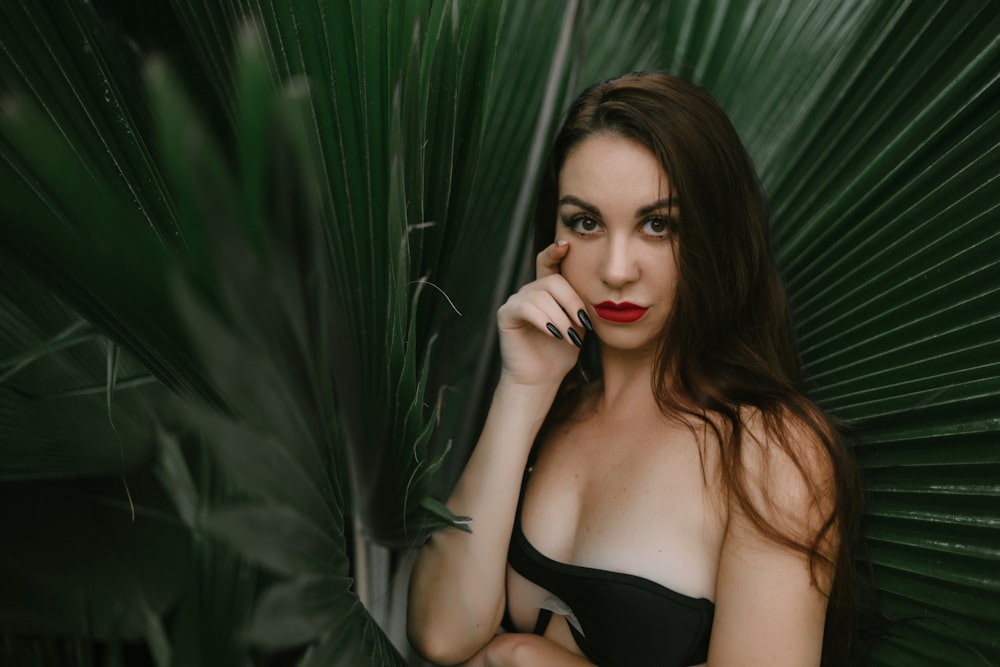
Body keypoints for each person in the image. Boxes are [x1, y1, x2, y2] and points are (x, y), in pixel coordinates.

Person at [407, 71, 862, 667]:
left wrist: (523, 658)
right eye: (586, 222)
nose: (617, 269)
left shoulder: (771, 451)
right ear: (555, 236)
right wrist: (524, 388)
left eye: (658, 224)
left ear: (713, 237)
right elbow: (441, 635)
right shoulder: (551, 413)